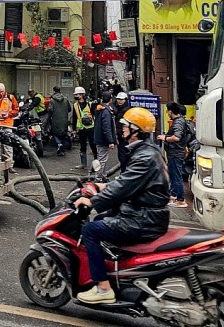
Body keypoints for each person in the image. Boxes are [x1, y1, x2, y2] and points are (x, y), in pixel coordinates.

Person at [73, 107, 170, 304]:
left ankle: (103, 288)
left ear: (137, 130)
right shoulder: (148, 152)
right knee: (101, 219)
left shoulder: (144, 157)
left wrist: (92, 201)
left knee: (91, 230)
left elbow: (124, 186)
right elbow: (130, 182)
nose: (122, 129)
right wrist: (104, 185)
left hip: (143, 219)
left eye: (126, 126)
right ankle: (121, 273)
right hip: (144, 214)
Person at [157, 102, 189, 208]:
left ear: (171, 112)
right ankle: (174, 195)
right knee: (174, 174)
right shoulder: (179, 121)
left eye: (168, 111)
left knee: (176, 176)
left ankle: (181, 200)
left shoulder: (178, 123)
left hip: (176, 153)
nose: (167, 113)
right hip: (174, 152)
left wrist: (165, 138)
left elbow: (177, 137)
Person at [71, 86, 97, 169]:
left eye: (77, 94)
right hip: (81, 128)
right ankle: (83, 163)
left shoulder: (90, 104)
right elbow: (74, 117)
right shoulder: (75, 105)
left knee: (93, 145)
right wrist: (74, 129)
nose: (76, 96)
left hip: (91, 127)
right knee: (82, 146)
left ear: (82, 95)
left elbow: (95, 115)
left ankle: (96, 162)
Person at [93, 91, 117, 180]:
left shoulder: (99, 109)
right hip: (103, 139)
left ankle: (103, 176)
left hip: (99, 137)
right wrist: (110, 141)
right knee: (102, 159)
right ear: (110, 99)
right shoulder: (106, 111)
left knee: (102, 158)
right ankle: (98, 178)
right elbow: (107, 127)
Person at [47, 86, 72, 156]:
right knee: (63, 134)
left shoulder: (52, 100)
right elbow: (69, 109)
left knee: (55, 133)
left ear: (54, 91)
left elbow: (50, 110)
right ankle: (62, 147)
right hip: (64, 120)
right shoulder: (66, 100)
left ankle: (59, 144)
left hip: (55, 120)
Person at [113, 92, 131, 171]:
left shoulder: (125, 110)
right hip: (121, 135)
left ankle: (124, 172)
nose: (119, 101)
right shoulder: (119, 108)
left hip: (124, 136)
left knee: (123, 156)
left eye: (121, 99)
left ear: (125, 100)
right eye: (118, 99)